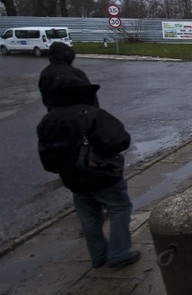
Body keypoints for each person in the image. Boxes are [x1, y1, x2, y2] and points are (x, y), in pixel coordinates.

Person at [36, 74, 140, 269]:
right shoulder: (91, 115)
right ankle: (118, 254)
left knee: (89, 217)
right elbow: (119, 140)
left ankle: (98, 256)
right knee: (119, 208)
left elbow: (47, 158)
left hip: (73, 179)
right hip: (102, 175)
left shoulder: (47, 121)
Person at [39, 42, 97, 111]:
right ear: (68, 56)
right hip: (78, 115)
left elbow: (46, 98)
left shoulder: (45, 73)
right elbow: (91, 97)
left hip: (54, 114)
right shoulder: (75, 73)